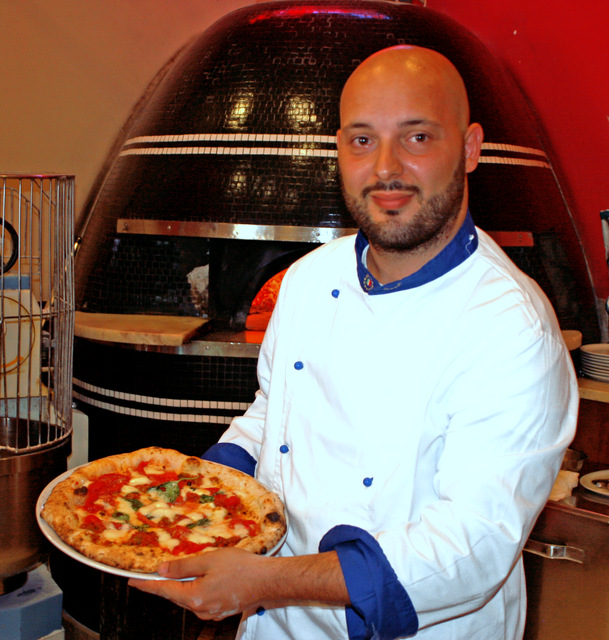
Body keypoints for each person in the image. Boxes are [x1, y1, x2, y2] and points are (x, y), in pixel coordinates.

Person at [130, 45, 578, 639]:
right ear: (338, 149)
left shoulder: (511, 328)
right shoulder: (311, 278)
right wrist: (198, 498)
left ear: (470, 148)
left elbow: (468, 550)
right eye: (362, 140)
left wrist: (266, 581)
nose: (386, 168)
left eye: (417, 137)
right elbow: (275, 412)